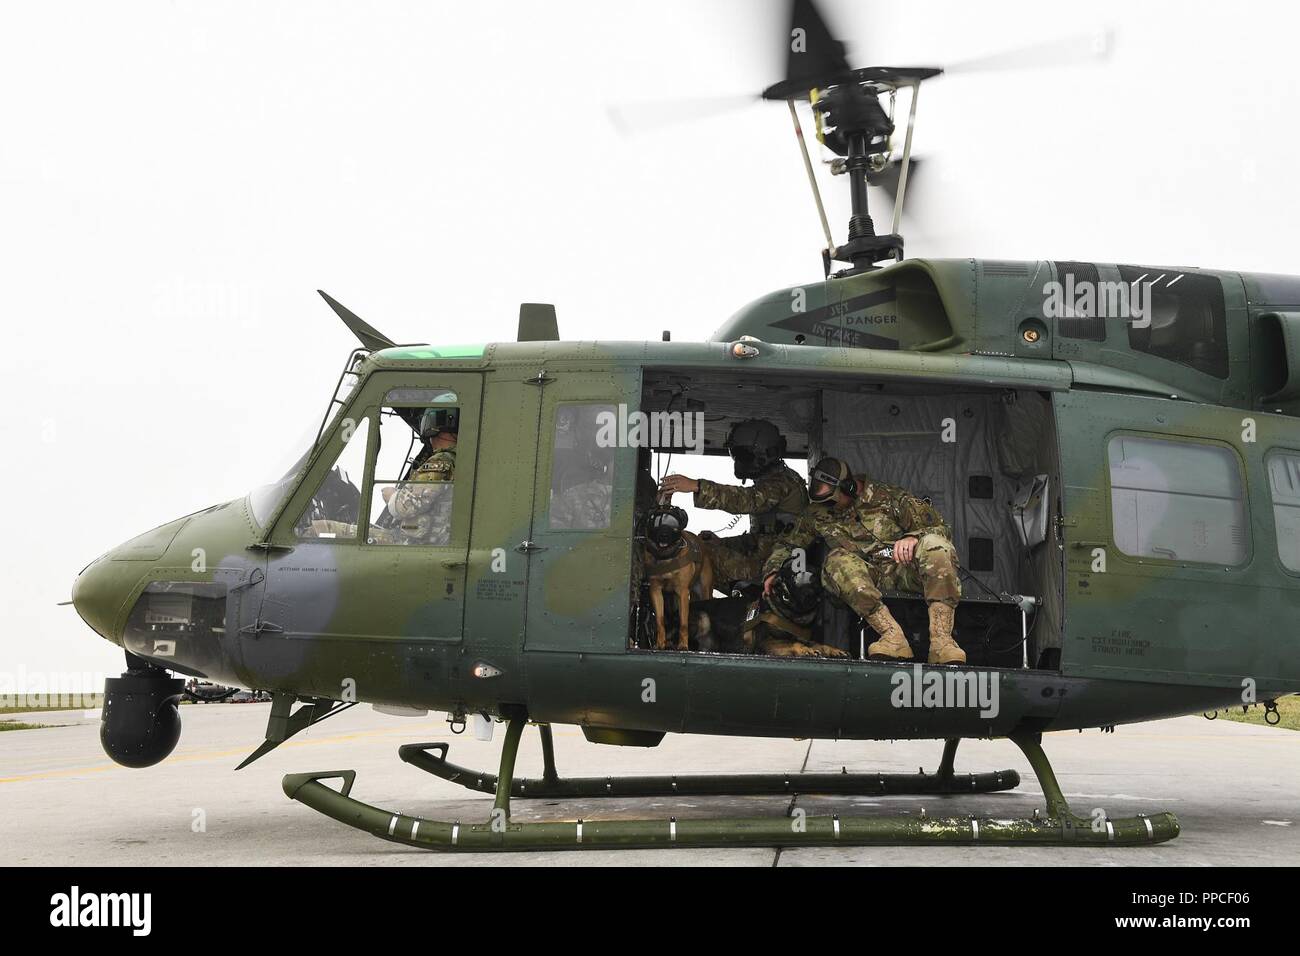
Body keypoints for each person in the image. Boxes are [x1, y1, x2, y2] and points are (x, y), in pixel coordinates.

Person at [762, 456, 965, 664]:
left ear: (849, 488)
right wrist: (773, 569)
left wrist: (913, 537)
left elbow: (941, 529)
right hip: (864, 580)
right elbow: (788, 544)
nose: (828, 506)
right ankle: (892, 637)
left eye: (831, 499)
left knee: (935, 545)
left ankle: (943, 643)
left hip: (906, 571)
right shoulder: (816, 514)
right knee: (836, 560)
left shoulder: (889, 497)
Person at [658, 419, 806, 590]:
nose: (738, 462)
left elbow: (748, 500)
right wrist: (722, 543)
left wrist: (697, 486)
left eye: (743, 456)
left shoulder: (782, 482)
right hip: (767, 563)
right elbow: (761, 539)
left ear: (764, 456)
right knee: (703, 546)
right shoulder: (775, 479)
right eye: (734, 455)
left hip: (774, 571)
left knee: (697, 553)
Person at [379, 407, 458, 544]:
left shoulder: (441, 461)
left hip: (418, 543)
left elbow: (406, 506)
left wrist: (391, 496)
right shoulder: (458, 459)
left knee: (331, 529)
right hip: (432, 540)